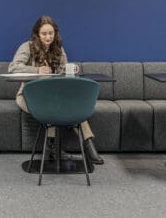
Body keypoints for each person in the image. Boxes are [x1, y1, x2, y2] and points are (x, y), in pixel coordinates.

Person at [9, 15, 103, 165]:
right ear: (37, 34)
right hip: (28, 96)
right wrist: (37, 70)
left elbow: (63, 72)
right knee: (51, 108)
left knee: (76, 106)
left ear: (55, 33)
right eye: (44, 34)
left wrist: (68, 70)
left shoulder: (59, 49)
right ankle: (52, 148)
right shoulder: (27, 47)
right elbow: (13, 68)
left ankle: (88, 145)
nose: (48, 37)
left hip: (53, 95)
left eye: (50, 33)